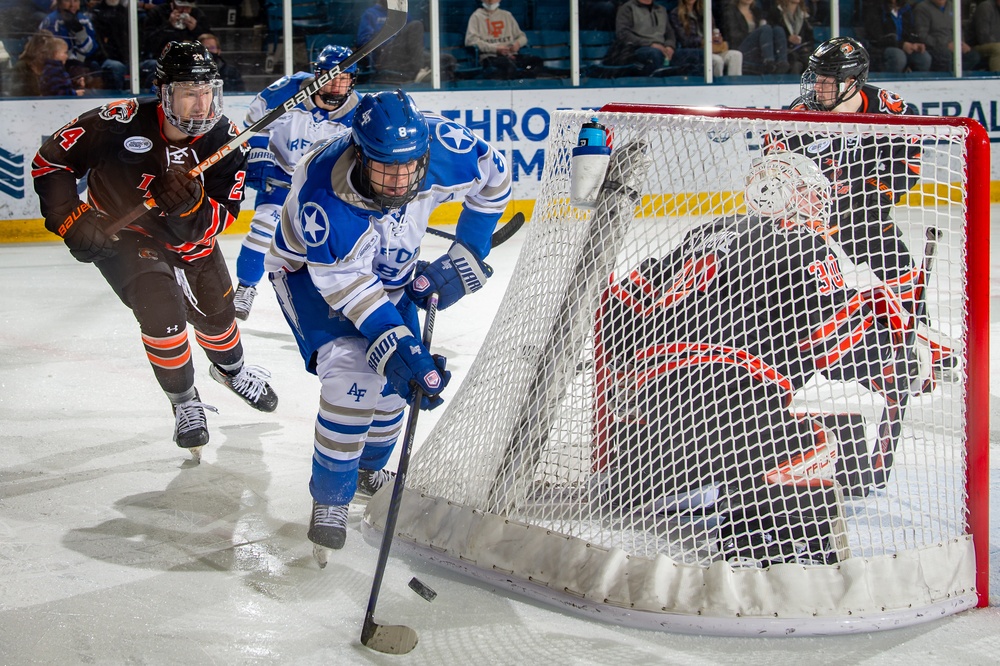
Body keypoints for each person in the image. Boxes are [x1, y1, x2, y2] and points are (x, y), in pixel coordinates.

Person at [599, 152, 929, 566]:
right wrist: (896, 358)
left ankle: (667, 480)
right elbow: (832, 340)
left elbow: (621, 306)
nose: (818, 205)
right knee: (820, 446)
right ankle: (768, 542)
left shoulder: (707, 230)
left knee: (726, 411)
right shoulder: (806, 243)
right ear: (783, 195)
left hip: (650, 413)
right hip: (733, 400)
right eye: (809, 194)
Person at [265, 89, 511, 558]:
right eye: (384, 168)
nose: (399, 182)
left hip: (387, 275)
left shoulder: (445, 146)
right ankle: (330, 496)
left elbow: (494, 180)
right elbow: (349, 289)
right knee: (354, 373)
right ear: (358, 154)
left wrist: (465, 259)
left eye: (408, 167)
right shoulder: (324, 195)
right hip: (311, 277)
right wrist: (402, 346)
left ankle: (367, 471)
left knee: (401, 387)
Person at [31, 41, 278, 462]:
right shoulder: (117, 122)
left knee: (218, 320)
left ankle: (232, 370)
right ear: (164, 92)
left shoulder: (225, 139)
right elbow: (51, 161)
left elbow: (221, 217)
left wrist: (189, 206)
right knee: (161, 313)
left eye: (207, 92)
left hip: (190, 240)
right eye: (188, 92)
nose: (200, 104)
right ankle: (184, 400)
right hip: (126, 238)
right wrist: (70, 219)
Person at [776, 37, 956, 374]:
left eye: (827, 80)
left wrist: (873, 198)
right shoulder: (798, 116)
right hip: (808, 213)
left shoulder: (890, 109)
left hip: (862, 208)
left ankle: (921, 341)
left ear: (851, 82)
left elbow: (908, 163)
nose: (817, 86)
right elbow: (776, 168)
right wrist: (803, 203)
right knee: (799, 278)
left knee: (900, 270)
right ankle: (790, 344)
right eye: (816, 77)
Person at [233, 44, 361, 321]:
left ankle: (338, 298)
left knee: (334, 242)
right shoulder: (287, 92)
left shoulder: (358, 112)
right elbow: (255, 124)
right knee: (263, 227)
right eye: (331, 76)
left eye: (344, 78)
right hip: (280, 171)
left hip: (321, 183)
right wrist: (260, 160)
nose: (337, 85)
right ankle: (245, 288)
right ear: (318, 74)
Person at [357, 0, 456, 83]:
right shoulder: (370, 13)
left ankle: (423, 73)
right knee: (416, 25)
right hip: (384, 56)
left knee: (447, 59)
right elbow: (364, 41)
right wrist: (384, 42)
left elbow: (415, 40)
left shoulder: (401, 14)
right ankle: (419, 71)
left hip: (406, 56)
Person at [38, 0, 126, 89]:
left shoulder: (85, 20)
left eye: (76, 1)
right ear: (59, 3)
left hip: (85, 62)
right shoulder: (51, 21)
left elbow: (90, 50)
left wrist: (80, 32)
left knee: (116, 67)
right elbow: (54, 53)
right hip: (62, 64)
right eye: (68, 1)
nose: (72, 5)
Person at [465, 0, 543, 79]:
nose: (491, 1)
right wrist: (495, 49)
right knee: (508, 66)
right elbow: (470, 41)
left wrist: (518, 44)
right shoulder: (476, 16)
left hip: (512, 55)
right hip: (491, 57)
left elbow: (522, 36)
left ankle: (521, 82)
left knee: (536, 61)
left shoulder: (507, 15)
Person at [141, 0, 212, 86]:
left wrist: (196, 28)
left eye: (188, 7)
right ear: (173, 3)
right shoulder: (157, 12)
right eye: (181, 7)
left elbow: (210, 41)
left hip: (192, 58)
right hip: (160, 57)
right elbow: (148, 43)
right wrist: (168, 25)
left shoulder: (197, 14)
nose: (184, 11)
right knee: (155, 67)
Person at [669, 0, 743, 76]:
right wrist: (704, 41)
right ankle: (717, 86)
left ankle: (734, 85)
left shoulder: (705, 10)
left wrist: (717, 39)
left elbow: (713, 30)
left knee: (735, 55)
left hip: (711, 48)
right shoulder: (675, 13)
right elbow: (685, 40)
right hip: (694, 52)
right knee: (717, 60)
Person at [721, 0, 791, 74]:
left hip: (758, 48)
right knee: (765, 29)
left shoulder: (756, 12)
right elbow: (733, 37)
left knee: (778, 29)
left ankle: (782, 62)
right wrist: (755, 35)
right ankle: (768, 62)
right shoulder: (730, 11)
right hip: (741, 48)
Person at [862, 0, 931, 73]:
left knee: (924, 58)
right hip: (880, 49)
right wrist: (902, 45)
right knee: (898, 57)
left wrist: (916, 44)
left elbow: (910, 32)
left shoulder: (906, 9)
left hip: (902, 46)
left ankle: (914, 83)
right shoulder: (875, 8)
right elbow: (877, 38)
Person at [9, 29, 84, 96]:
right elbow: (18, 94)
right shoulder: (22, 67)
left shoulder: (54, 67)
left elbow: (60, 88)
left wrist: (75, 83)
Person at [912, 0, 980, 71]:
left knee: (973, 56)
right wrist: (945, 45)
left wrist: (962, 43)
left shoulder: (953, 7)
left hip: (954, 46)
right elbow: (922, 35)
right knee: (945, 55)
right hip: (933, 48)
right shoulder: (922, 8)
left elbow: (959, 29)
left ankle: (958, 77)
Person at [767, 0, 814, 74]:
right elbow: (772, 34)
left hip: (800, 52)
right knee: (796, 65)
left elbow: (810, 38)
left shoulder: (805, 15)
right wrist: (788, 38)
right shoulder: (776, 12)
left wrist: (805, 46)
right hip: (783, 53)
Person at [971, 0, 1000, 71]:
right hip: (976, 47)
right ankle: (997, 79)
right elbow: (984, 37)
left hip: (994, 45)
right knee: (998, 48)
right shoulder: (986, 7)